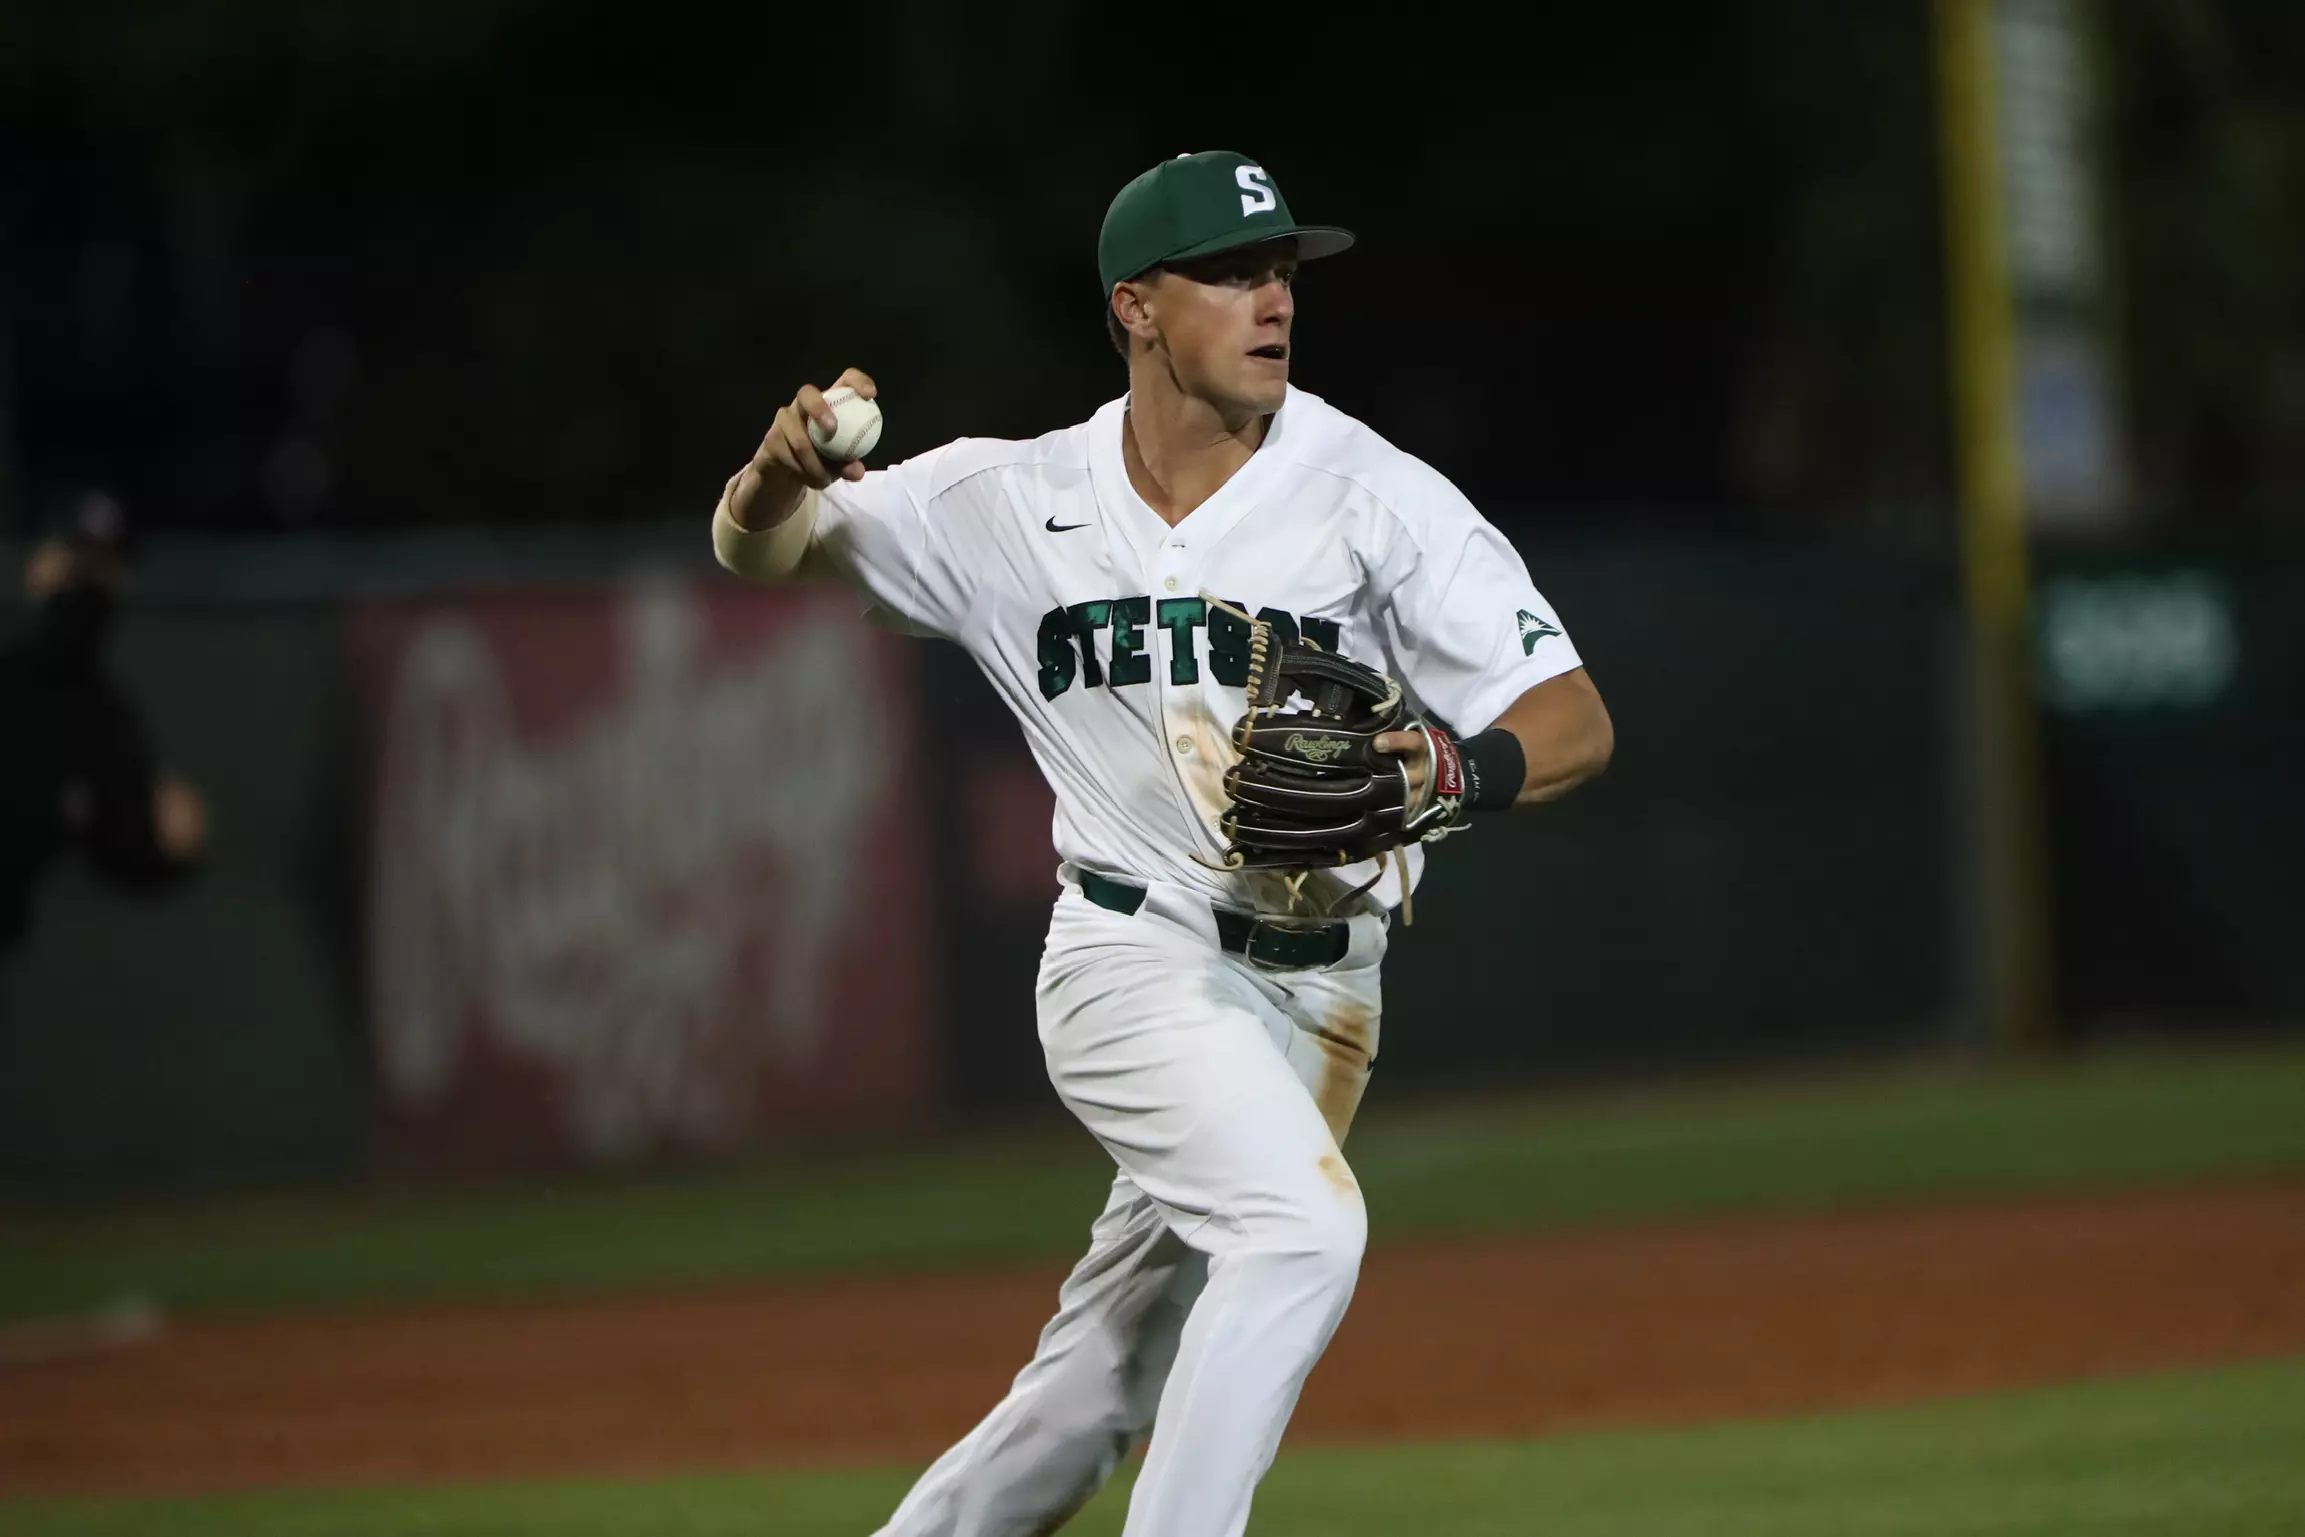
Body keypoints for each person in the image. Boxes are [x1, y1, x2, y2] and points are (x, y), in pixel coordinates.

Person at [712, 151, 1613, 1537]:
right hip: (1130, 959)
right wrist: (773, 475)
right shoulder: (1003, 500)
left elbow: (1571, 718)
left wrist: (1454, 764)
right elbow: (762, 549)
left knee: (1098, 1388)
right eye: (1232, 273)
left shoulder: (1368, 491)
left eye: (1283, 272)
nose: (1273, 301)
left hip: (1322, 1001)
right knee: (1300, 1233)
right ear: (1135, 307)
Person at [0, 488, 207, 956]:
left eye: (109, 570)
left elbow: (128, 845)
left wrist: (162, 845)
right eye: (82, 564)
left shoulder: (97, 712)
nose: (99, 588)